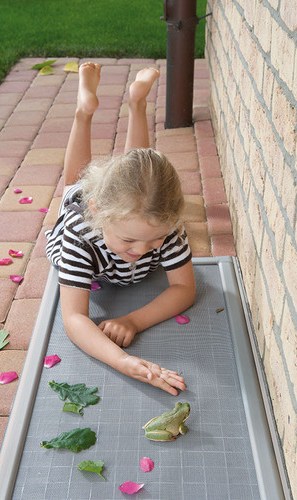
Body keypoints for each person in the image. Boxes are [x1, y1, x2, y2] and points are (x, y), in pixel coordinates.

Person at [46, 62, 196, 396]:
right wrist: (123, 361)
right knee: (74, 181)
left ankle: (137, 103)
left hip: (124, 199)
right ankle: (83, 111)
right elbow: (74, 318)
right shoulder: (79, 233)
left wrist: (133, 321)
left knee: (138, 177)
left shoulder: (163, 222)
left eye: (154, 240)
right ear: (99, 213)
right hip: (84, 204)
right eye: (128, 239)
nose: (142, 251)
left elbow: (185, 288)